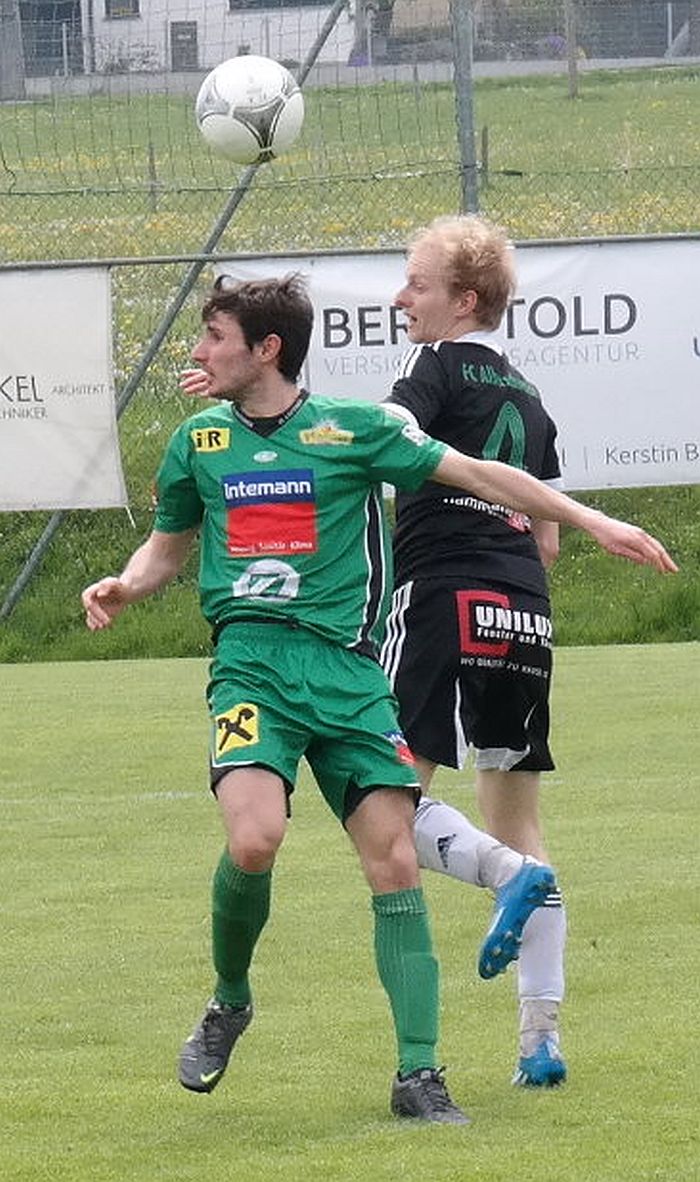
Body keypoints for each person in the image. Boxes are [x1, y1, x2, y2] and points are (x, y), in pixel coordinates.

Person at [83, 276, 674, 1125]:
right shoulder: (199, 441)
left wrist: (593, 521)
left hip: (351, 678)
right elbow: (166, 547)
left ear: (267, 349)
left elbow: (481, 474)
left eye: (215, 336)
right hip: (252, 667)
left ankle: (418, 1075)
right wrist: (127, 584)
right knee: (254, 838)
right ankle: (230, 999)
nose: (200, 352)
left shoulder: (354, 430)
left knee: (394, 860)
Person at [378, 213, 620, 1087]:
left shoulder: (435, 365)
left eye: (417, 284)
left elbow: (388, 436)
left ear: (464, 301)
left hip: (443, 597)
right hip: (522, 611)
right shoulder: (526, 394)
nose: (400, 298)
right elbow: (547, 539)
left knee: (383, 801)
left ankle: (506, 877)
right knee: (520, 817)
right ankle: (540, 1039)